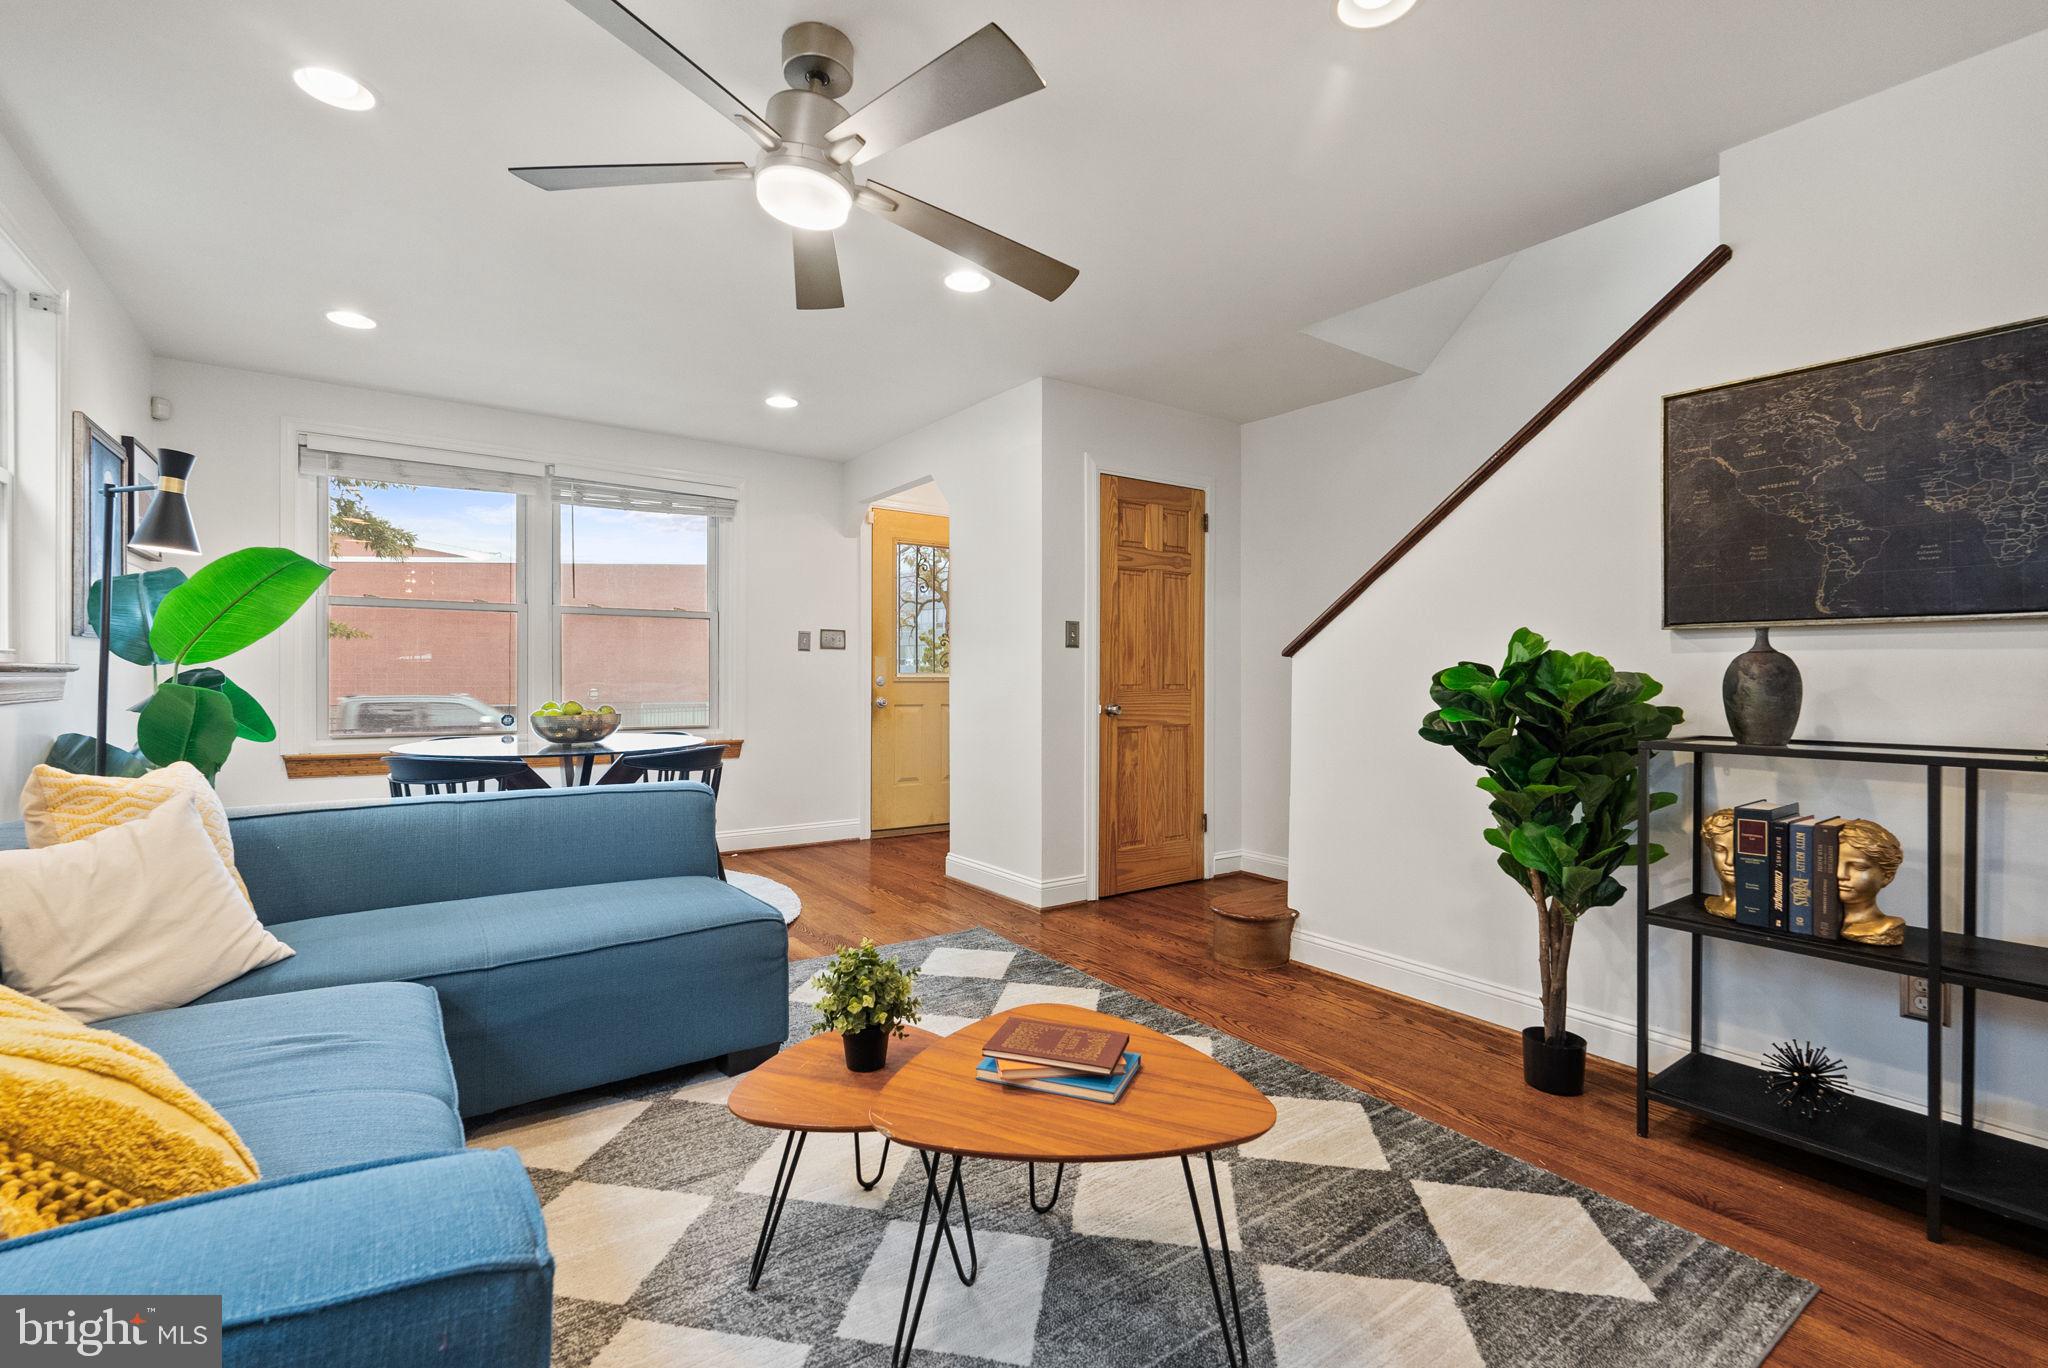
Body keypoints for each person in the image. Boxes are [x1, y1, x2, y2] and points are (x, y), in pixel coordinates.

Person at [1837, 818, 1905, 945]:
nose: (1840, 874)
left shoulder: (1886, 927)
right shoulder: (1820, 920)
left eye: (1859, 867)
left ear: (1887, 876)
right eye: (1834, 864)